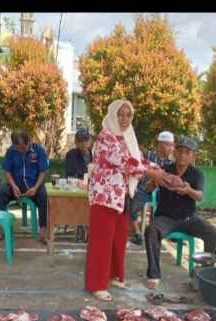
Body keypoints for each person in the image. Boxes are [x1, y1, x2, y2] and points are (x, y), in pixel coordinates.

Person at [85, 99, 165, 302]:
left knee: (119, 238)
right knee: (101, 241)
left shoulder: (128, 136)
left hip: (123, 195)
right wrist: (152, 173)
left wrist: (159, 170)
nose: (124, 118)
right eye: (120, 114)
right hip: (105, 196)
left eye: (128, 115)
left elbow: (137, 159)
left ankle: (112, 275)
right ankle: (97, 284)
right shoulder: (105, 136)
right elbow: (125, 163)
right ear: (112, 114)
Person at [144, 136, 216, 289]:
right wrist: (153, 182)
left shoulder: (197, 174)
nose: (183, 155)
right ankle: (154, 274)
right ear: (174, 152)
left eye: (187, 152)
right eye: (180, 151)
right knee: (151, 230)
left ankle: (203, 274)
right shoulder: (165, 169)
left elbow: (199, 196)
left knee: (214, 234)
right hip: (165, 218)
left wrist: (188, 190)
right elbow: (147, 189)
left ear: (192, 155)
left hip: (188, 219)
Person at [0, 130, 49, 244]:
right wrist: (13, 186)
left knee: (44, 196)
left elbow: (43, 171)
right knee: (0, 192)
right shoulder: (10, 151)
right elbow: (7, 171)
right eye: (18, 148)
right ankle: (0, 228)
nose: (21, 150)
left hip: (34, 185)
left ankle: (43, 229)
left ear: (29, 142)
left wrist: (36, 187)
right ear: (14, 145)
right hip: (15, 184)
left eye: (24, 147)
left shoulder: (39, 150)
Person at [130, 131, 174, 245]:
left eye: (171, 145)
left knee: (169, 205)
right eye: (169, 145)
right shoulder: (147, 156)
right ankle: (137, 233)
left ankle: (160, 232)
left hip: (160, 193)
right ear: (160, 145)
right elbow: (137, 169)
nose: (171, 148)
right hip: (143, 190)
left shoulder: (171, 163)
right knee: (131, 206)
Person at [64, 127, 93, 243]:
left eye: (86, 140)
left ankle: (90, 229)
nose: (83, 143)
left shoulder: (95, 154)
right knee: (81, 200)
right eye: (80, 141)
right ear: (76, 142)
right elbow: (70, 174)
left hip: (93, 187)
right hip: (77, 186)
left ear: (90, 141)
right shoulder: (71, 155)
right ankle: (81, 228)